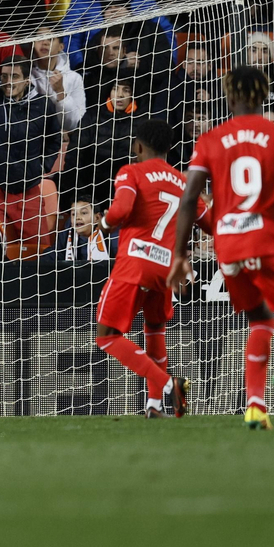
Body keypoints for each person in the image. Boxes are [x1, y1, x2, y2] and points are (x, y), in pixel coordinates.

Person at [170, 67, 274, 430]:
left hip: (228, 247)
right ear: (263, 94)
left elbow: (190, 199)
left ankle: (255, 405)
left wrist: (179, 254)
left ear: (228, 95)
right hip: (268, 241)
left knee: (259, 320)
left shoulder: (209, 140)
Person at [93, 119, 209, 419]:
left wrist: (102, 225)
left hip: (136, 263)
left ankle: (169, 384)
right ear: (168, 149)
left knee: (106, 336)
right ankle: (155, 405)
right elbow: (210, 224)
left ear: (139, 146)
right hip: (167, 270)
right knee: (154, 329)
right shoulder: (185, 183)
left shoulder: (131, 172)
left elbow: (120, 210)